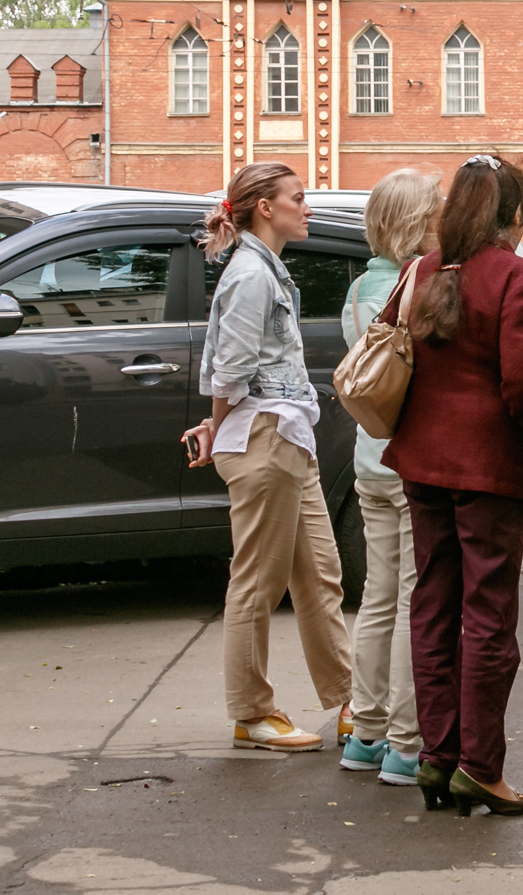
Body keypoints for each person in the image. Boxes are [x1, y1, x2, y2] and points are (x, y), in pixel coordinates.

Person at [379, 153, 523, 817]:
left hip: (421, 461)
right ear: (512, 213)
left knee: (432, 605)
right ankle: (481, 767)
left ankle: (437, 755)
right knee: (487, 617)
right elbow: (522, 378)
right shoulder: (519, 276)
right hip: (488, 470)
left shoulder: (420, 271)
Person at [184, 161, 355, 753]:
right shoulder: (252, 275)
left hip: (285, 437)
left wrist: (215, 423)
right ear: (265, 207)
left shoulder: (263, 270)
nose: (307, 209)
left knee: (320, 577)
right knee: (257, 581)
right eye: (298, 198)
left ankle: (349, 704)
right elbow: (230, 370)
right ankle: (252, 713)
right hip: (266, 439)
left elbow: (236, 366)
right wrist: (219, 426)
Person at [338, 168, 442, 786]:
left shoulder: (358, 290)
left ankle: (366, 734)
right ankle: (407, 742)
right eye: (434, 215)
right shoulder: (418, 289)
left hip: (367, 461)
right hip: (408, 465)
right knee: (411, 600)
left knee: (375, 599)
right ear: (416, 224)